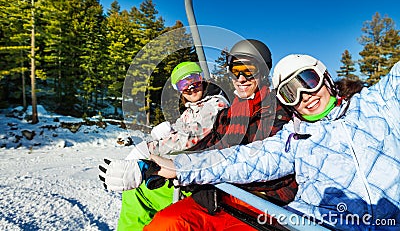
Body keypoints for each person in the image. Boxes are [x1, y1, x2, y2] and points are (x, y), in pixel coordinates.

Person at [148, 55, 400, 230]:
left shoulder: (378, 103)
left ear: (325, 76)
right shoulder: (295, 137)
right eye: (291, 93)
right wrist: (179, 166)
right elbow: (243, 158)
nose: (305, 96)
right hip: (317, 225)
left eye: (308, 82)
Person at [143, 39, 297, 230]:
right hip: (220, 197)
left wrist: (187, 169)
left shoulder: (278, 112)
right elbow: (207, 145)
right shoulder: (229, 114)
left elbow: (262, 161)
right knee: (164, 224)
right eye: (235, 70)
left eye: (248, 70)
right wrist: (160, 162)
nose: (241, 78)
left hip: (259, 205)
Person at [99, 61, 229, 230]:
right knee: (136, 191)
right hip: (185, 171)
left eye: (194, 80)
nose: (191, 87)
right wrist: (169, 129)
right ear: (179, 90)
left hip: (199, 181)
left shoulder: (215, 104)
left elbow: (190, 137)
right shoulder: (194, 108)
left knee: (137, 193)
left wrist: (147, 150)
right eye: (184, 84)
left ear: (202, 79)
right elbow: (183, 129)